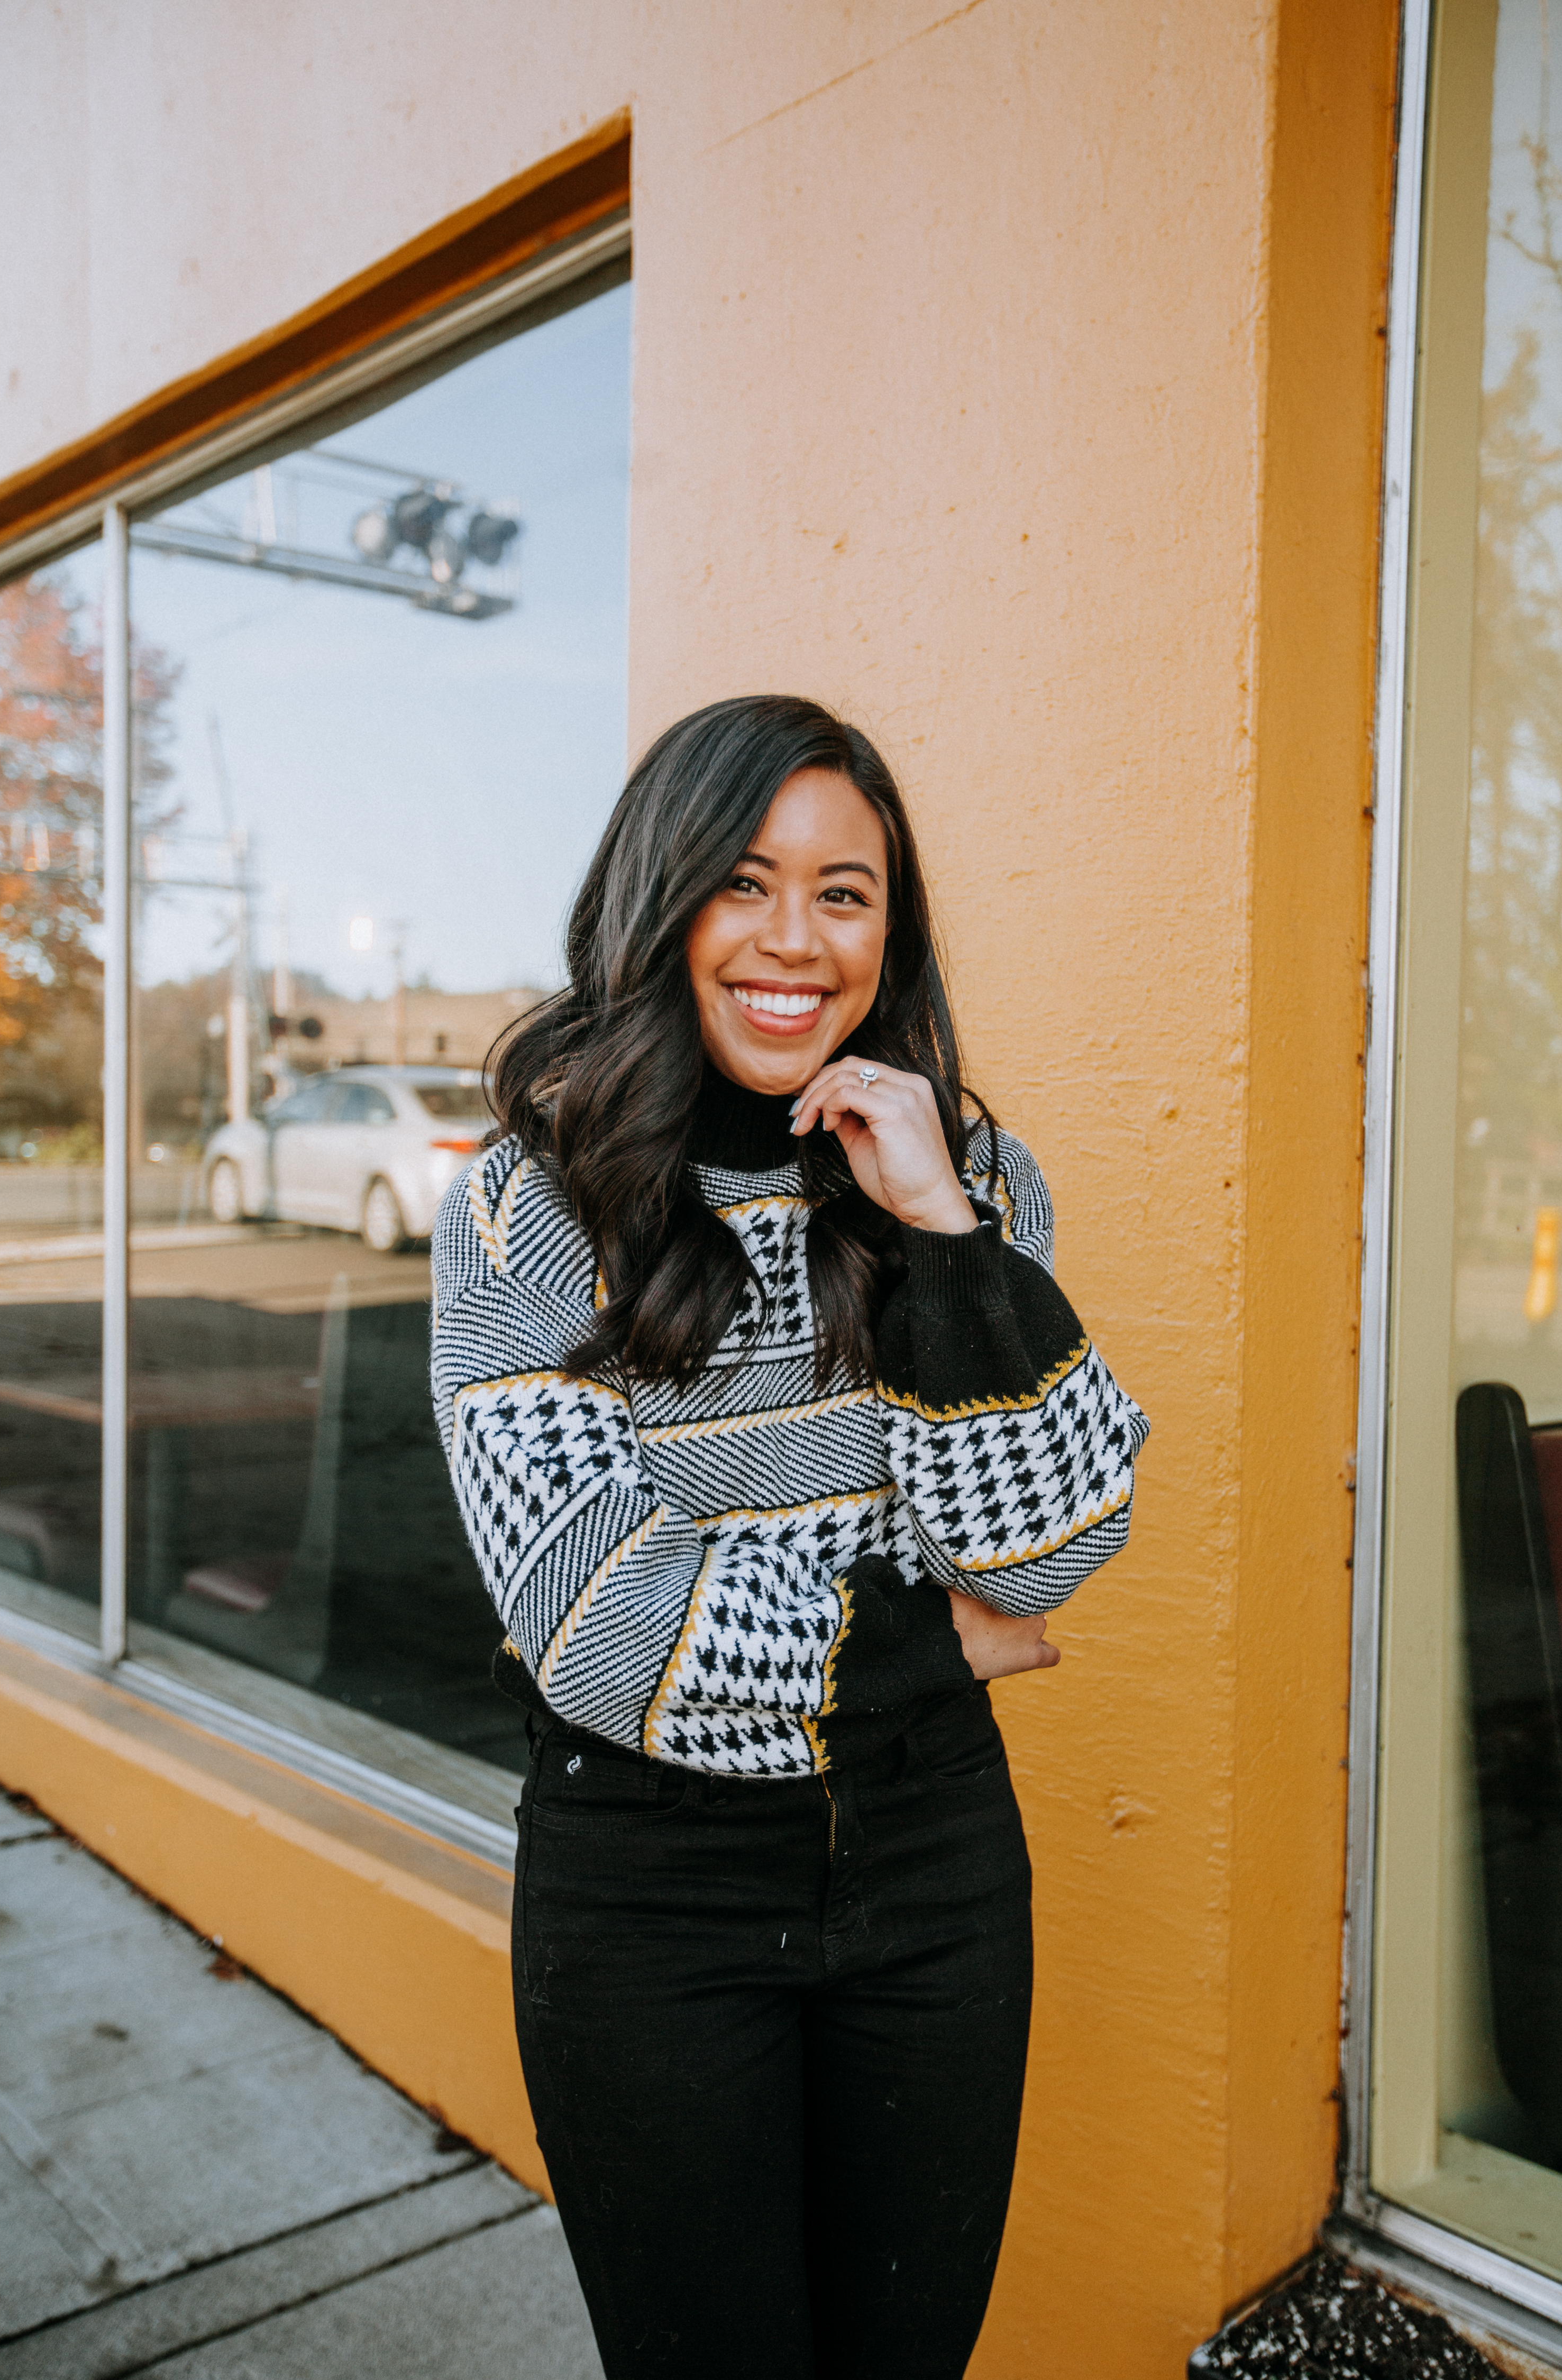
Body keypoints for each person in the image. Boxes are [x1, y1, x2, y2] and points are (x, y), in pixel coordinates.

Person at [430, 694, 1148, 2380]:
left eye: (847, 892)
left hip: (937, 1867)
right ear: (660, 900)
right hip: (650, 1889)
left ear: (891, 933)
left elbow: (1045, 1547)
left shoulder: (965, 1174)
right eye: (745, 882)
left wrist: (944, 1234)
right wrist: (931, 1640)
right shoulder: (531, 1206)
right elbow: (604, 1625)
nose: (793, 938)